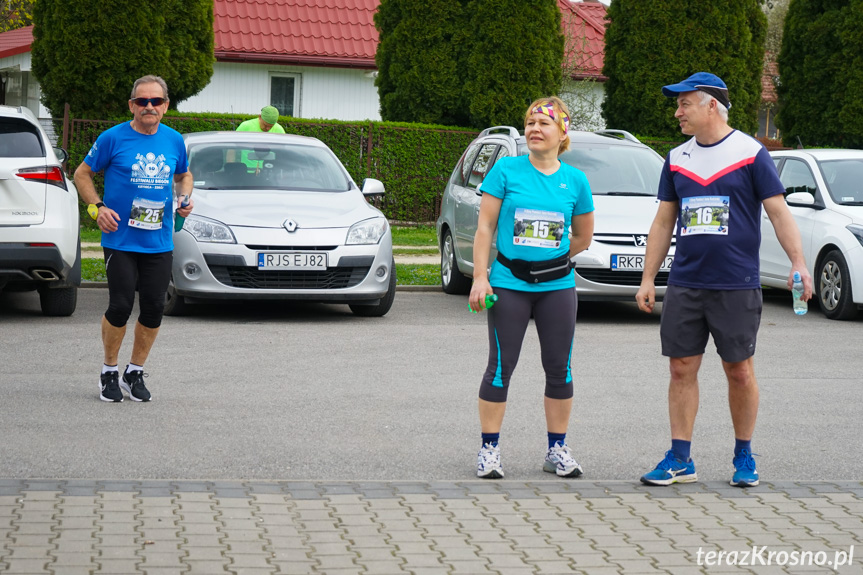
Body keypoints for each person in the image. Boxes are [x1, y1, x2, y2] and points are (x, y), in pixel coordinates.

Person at [635, 72, 813, 487]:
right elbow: (663, 222)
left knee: (739, 371)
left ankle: (744, 455)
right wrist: (648, 277)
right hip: (685, 283)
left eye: (684, 104)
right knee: (681, 369)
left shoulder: (751, 153)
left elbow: (778, 212)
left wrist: (799, 263)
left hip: (735, 283)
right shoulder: (676, 158)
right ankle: (681, 459)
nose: (677, 112)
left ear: (711, 105)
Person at [470, 97, 595, 479]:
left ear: (563, 132)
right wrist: (480, 276)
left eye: (544, 123)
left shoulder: (575, 180)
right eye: (530, 122)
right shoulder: (506, 170)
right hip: (508, 285)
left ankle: (556, 449)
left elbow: (583, 237)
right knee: (500, 368)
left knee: (559, 368)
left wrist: (549, 261)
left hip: (557, 287)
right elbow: (485, 228)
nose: (535, 129)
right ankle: (489, 451)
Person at [74, 75, 194, 403]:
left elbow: (184, 175)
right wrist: (96, 207)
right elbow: (81, 173)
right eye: (142, 101)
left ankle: (134, 371)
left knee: (154, 307)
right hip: (120, 239)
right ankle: (109, 371)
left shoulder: (173, 141)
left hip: (158, 241)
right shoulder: (113, 138)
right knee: (121, 304)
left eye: (156, 101)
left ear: (166, 106)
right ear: (132, 105)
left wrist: (184, 197)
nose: (149, 107)